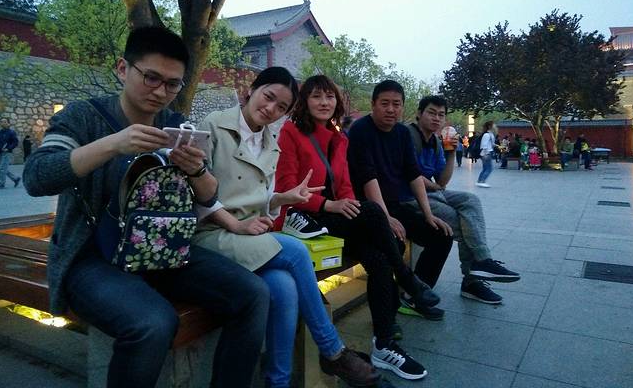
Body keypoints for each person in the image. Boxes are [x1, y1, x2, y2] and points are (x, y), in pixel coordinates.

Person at [23, 26, 270, 388]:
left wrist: (195, 169)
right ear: (123, 69)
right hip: (89, 257)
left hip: (160, 249)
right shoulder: (82, 117)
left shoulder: (175, 124)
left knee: (254, 294)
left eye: (172, 84)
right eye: (151, 78)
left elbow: (208, 195)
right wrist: (113, 144)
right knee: (153, 323)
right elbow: (37, 176)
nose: (160, 92)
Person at [194, 67, 379, 388]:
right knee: (294, 251)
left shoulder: (270, 142)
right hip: (212, 234)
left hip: (248, 236)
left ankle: (278, 382)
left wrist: (283, 198)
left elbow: (259, 199)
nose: (271, 109)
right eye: (268, 97)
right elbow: (195, 192)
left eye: (281, 107)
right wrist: (237, 224)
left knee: (285, 287)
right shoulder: (213, 125)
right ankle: (333, 351)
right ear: (251, 90)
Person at [275, 75, 438, 381]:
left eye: (330, 97)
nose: (324, 103)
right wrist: (331, 205)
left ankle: (384, 345)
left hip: (335, 218)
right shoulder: (291, 132)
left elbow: (346, 186)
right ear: (304, 101)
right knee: (375, 212)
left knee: (378, 259)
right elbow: (286, 188)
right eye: (316, 96)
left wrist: (348, 206)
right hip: (306, 218)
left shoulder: (339, 138)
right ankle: (408, 279)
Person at [347, 80, 454, 378]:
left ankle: (415, 295)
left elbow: (413, 175)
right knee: (389, 245)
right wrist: (385, 218)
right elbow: (368, 179)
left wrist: (428, 215)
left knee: (441, 236)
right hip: (368, 208)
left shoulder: (402, 134)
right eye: (385, 103)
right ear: (373, 105)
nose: (391, 110)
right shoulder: (361, 131)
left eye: (396, 104)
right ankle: (391, 312)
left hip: (396, 205)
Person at [405, 96, 520, 304]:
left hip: (433, 192)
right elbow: (407, 173)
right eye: (431, 113)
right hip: (409, 197)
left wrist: (450, 152)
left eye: (441, 115)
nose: (436, 118)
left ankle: (481, 263)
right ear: (419, 114)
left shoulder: (436, 142)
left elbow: (442, 180)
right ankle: (472, 279)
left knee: (471, 200)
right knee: (462, 223)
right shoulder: (407, 136)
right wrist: (434, 186)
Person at [0, 117, 21, 188]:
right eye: (1, 122)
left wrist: (8, 148)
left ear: (8, 123)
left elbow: (15, 142)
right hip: (0, 153)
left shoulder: (11, 132)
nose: (3, 123)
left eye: (5, 122)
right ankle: (15, 179)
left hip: (7, 153)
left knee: (2, 169)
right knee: (3, 168)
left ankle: (1, 184)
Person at [476, 121, 496, 187]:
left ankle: (479, 181)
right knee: (489, 168)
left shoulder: (490, 134)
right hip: (487, 153)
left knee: (485, 168)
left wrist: (496, 146)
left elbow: (490, 144)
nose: (495, 126)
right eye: (494, 125)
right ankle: (482, 181)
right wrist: (485, 154)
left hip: (488, 152)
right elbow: (484, 145)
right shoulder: (486, 135)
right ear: (490, 126)